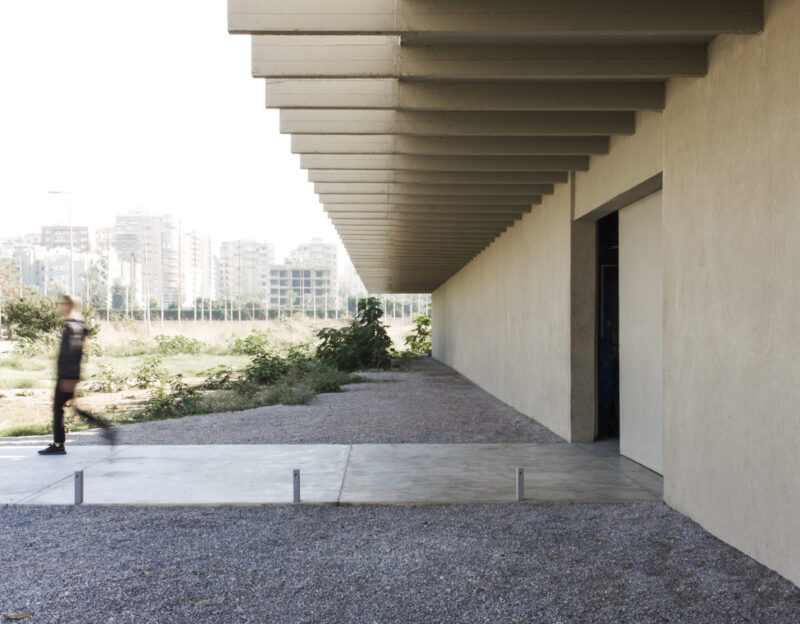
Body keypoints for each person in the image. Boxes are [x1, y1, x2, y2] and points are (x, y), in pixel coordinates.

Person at [39, 295, 114, 455]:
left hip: (67, 375)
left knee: (58, 408)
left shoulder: (71, 327)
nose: (60, 307)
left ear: (68, 305)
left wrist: (67, 377)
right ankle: (105, 428)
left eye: (62, 304)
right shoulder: (77, 325)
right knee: (73, 408)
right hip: (70, 374)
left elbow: (71, 353)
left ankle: (59, 445)